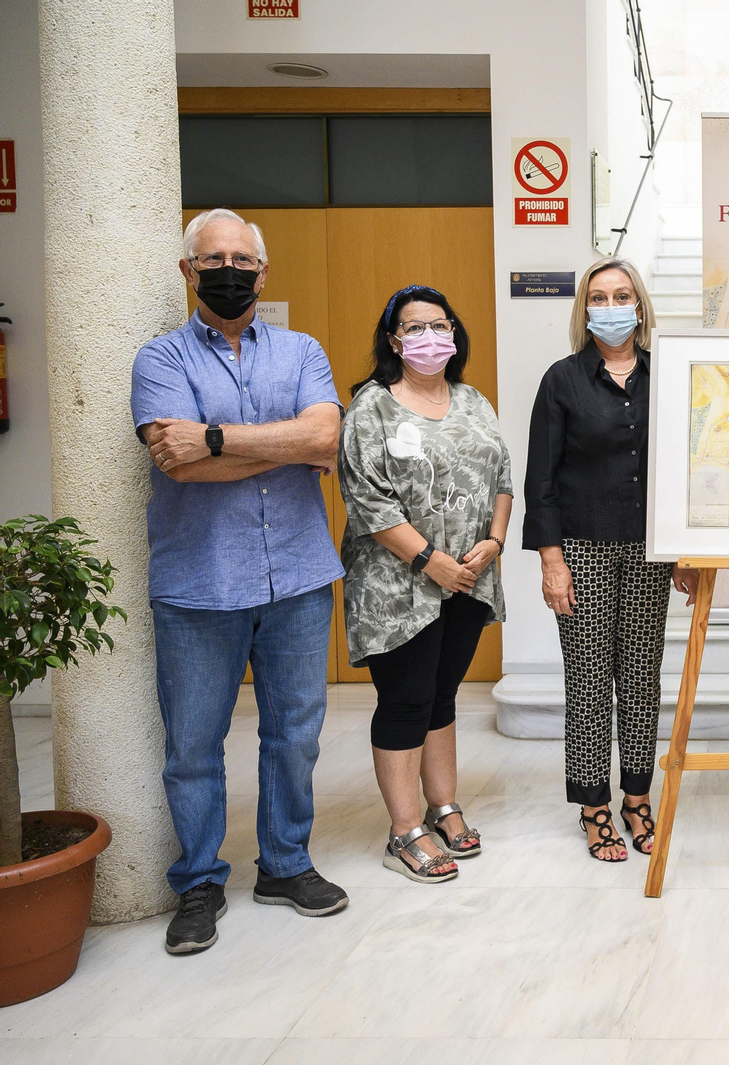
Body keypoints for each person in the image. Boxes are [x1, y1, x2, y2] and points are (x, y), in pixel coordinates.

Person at [131, 208, 348, 955]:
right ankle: (197, 882)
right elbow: (175, 459)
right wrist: (286, 445)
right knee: (193, 746)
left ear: (264, 270)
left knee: (296, 735)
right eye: (213, 257)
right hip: (198, 584)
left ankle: (285, 864)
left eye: (242, 258)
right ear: (189, 272)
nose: (230, 269)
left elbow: (326, 437)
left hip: (298, 575)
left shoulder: (302, 350)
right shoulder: (160, 360)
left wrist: (216, 438)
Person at [524, 258, 697, 863]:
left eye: (623, 295)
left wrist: (685, 550)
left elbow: (682, 466)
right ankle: (593, 806)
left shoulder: (667, 376)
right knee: (591, 680)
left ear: (641, 306)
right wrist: (552, 561)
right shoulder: (562, 380)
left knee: (642, 680)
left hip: (652, 551)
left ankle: (635, 798)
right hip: (583, 550)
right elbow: (539, 480)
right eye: (599, 297)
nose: (612, 305)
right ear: (585, 309)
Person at [338, 285, 512, 884]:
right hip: (398, 585)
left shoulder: (473, 401)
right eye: (414, 328)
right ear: (394, 340)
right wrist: (430, 560)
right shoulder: (372, 407)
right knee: (406, 700)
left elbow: (503, 475)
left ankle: (443, 806)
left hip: (469, 575)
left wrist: (493, 540)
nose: (429, 337)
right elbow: (367, 497)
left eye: (440, 325)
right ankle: (404, 830)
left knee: (443, 696)